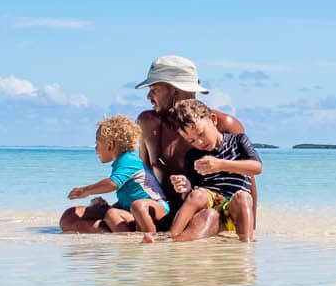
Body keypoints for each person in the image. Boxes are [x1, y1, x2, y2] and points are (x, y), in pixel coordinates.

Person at [59, 54, 256, 237]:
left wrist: (250, 224)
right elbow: (144, 176)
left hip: (200, 212)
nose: (148, 97)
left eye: (154, 89)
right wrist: (118, 205)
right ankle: (129, 237)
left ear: (176, 91)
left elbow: (248, 181)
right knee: (70, 217)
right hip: (155, 211)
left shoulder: (222, 124)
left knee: (208, 217)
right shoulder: (147, 123)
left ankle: (155, 240)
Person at [162, 99, 260, 241]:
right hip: (209, 207)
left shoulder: (238, 141)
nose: (199, 143)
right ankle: (170, 236)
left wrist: (221, 164)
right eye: (192, 141)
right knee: (197, 195)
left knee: (243, 197)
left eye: (201, 134)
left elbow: (257, 167)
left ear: (213, 120)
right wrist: (186, 187)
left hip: (233, 207)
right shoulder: (192, 156)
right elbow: (193, 193)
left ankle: (247, 243)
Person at [63, 115, 170, 237]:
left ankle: (147, 238)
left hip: (154, 210)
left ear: (110, 145)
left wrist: (86, 190)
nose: (96, 149)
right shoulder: (121, 162)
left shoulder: (129, 160)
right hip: (132, 211)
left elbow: (112, 184)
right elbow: (129, 196)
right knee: (72, 214)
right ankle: (114, 234)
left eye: (97, 143)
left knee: (114, 214)